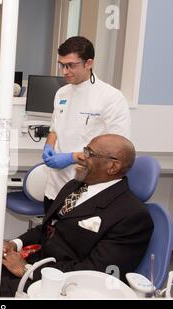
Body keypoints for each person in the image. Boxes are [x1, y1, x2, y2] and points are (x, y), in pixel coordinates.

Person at [0, 134, 153, 297]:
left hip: (50, 285)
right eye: (85, 149)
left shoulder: (132, 217)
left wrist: (26, 270)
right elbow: (46, 229)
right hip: (30, 265)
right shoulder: (75, 186)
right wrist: (16, 243)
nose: (81, 156)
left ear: (113, 166)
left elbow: (94, 273)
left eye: (90, 153)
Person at [42, 36, 131, 213]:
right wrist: (49, 146)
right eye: (62, 65)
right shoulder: (62, 93)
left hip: (85, 187)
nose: (65, 71)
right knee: (49, 234)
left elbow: (118, 150)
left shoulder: (111, 97)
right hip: (54, 185)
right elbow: (55, 128)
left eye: (71, 65)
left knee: (72, 238)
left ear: (88, 63)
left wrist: (71, 157)